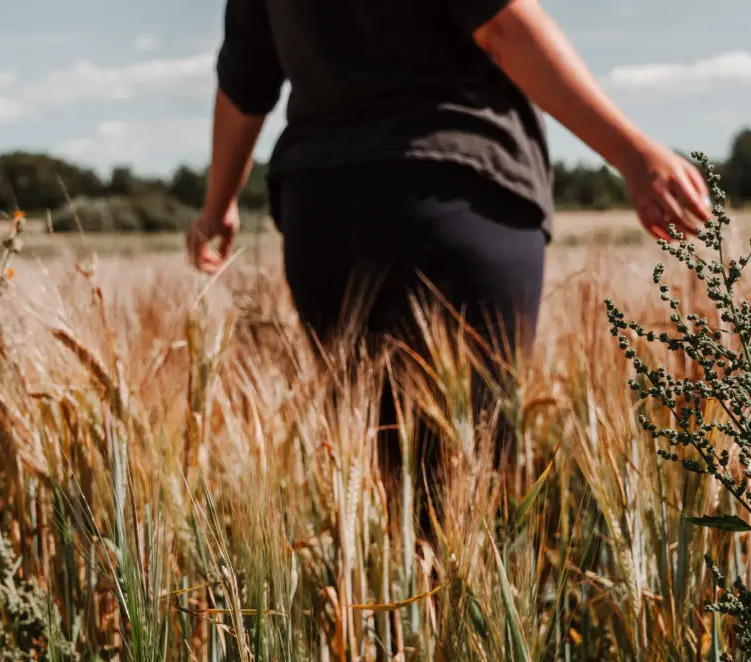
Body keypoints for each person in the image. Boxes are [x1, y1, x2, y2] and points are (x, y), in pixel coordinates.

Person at [186, 0, 711, 488]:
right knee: (473, 473)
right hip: (455, 192)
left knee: (395, 477)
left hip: (323, 215)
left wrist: (217, 204)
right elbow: (502, 26)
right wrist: (633, 153)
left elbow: (245, 79)